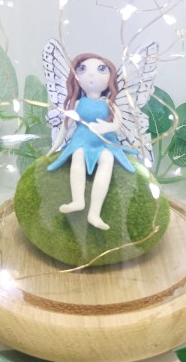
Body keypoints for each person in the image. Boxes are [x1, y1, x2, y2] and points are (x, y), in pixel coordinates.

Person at [47, 52, 136, 230]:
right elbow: (65, 126)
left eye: (101, 69)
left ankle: (94, 213)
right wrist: (55, 147)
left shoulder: (109, 104)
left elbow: (117, 123)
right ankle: (77, 200)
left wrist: (108, 127)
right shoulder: (78, 104)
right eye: (83, 69)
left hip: (104, 142)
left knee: (107, 159)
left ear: (111, 78)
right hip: (81, 140)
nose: (91, 74)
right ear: (76, 77)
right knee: (78, 155)